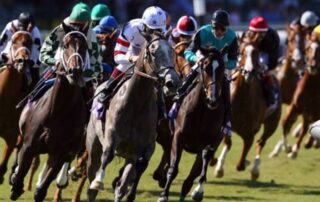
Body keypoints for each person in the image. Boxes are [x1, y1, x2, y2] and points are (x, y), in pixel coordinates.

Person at [169, 9, 238, 137]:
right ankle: (176, 104)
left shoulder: (232, 37)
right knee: (189, 77)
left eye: (222, 29)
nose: (218, 31)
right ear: (211, 25)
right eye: (215, 27)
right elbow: (187, 52)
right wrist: (196, 58)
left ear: (227, 28)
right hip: (203, 61)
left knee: (225, 85)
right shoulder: (202, 32)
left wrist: (223, 63)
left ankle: (227, 119)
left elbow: (234, 62)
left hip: (218, 66)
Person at [98, 6, 179, 104]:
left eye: (158, 31)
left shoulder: (165, 30)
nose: (155, 34)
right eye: (151, 31)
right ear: (143, 25)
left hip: (153, 56)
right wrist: (132, 58)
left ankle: (162, 104)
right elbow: (117, 56)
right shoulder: (130, 28)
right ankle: (107, 90)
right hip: (133, 52)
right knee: (123, 65)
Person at [244, 16, 280, 112]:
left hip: (266, 53)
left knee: (265, 72)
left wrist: (266, 68)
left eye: (261, 34)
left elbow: (272, 58)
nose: (258, 36)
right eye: (256, 33)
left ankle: (270, 94)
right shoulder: (246, 35)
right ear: (251, 31)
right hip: (252, 51)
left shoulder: (272, 38)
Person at [0, 12, 42, 83]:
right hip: (11, 51)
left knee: (35, 77)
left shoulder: (36, 34)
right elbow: (1, 44)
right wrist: (4, 57)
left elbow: (37, 60)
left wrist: (29, 61)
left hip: (29, 56)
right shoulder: (10, 27)